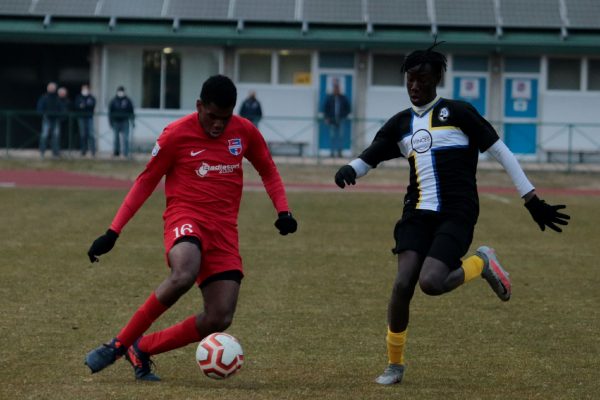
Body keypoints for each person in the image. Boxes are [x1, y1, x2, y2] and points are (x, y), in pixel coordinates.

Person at [334, 41, 570, 386]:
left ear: (437, 80)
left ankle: (482, 262)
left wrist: (531, 199)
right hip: (416, 213)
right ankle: (394, 365)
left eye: (423, 80)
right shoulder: (400, 124)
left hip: (456, 213)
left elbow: (503, 153)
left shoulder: (459, 113)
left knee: (431, 283)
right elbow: (372, 155)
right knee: (402, 284)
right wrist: (350, 169)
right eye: (410, 80)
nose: (416, 86)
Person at [84, 75, 298, 381]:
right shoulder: (175, 135)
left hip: (224, 232)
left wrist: (283, 211)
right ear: (199, 106)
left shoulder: (244, 131)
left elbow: (268, 169)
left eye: (224, 119)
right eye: (211, 116)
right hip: (185, 218)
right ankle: (117, 344)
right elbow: (146, 182)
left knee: (220, 316)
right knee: (184, 272)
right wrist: (113, 231)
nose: (217, 125)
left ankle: (141, 348)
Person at [36, 82, 65, 158]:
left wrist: (60, 117)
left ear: (55, 89)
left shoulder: (58, 98)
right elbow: (39, 108)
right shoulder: (44, 97)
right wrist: (43, 114)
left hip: (55, 120)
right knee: (44, 136)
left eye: (53, 88)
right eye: (50, 88)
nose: (52, 89)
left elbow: (62, 109)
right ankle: (42, 153)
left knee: (55, 137)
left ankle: (55, 154)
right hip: (47, 119)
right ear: (48, 88)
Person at [323, 79, 351, 158]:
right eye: (335, 88)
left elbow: (348, 108)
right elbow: (325, 109)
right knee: (332, 137)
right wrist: (327, 118)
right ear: (333, 89)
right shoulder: (329, 98)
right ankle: (332, 152)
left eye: (337, 88)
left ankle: (339, 152)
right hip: (332, 120)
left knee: (341, 137)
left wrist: (344, 116)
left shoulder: (343, 98)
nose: (336, 90)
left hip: (341, 120)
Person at [108, 86, 135, 158]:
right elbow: (110, 112)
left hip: (125, 121)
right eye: (119, 91)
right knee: (116, 138)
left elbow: (131, 111)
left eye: (122, 91)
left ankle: (125, 153)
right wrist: (110, 122)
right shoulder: (113, 101)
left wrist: (133, 121)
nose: (121, 93)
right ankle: (116, 152)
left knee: (125, 138)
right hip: (116, 122)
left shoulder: (128, 100)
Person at [74, 84, 97, 157]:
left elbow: (91, 106)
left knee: (91, 134)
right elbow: (77, 106)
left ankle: (93, 151)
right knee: (83, 134)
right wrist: (83, 106)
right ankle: (83, 151)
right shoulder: (78, 97)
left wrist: (84, 106)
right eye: (83, 89)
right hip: (81, 117)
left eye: (86, 89)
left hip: (89, 117)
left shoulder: (92, 98)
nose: (85, 90)